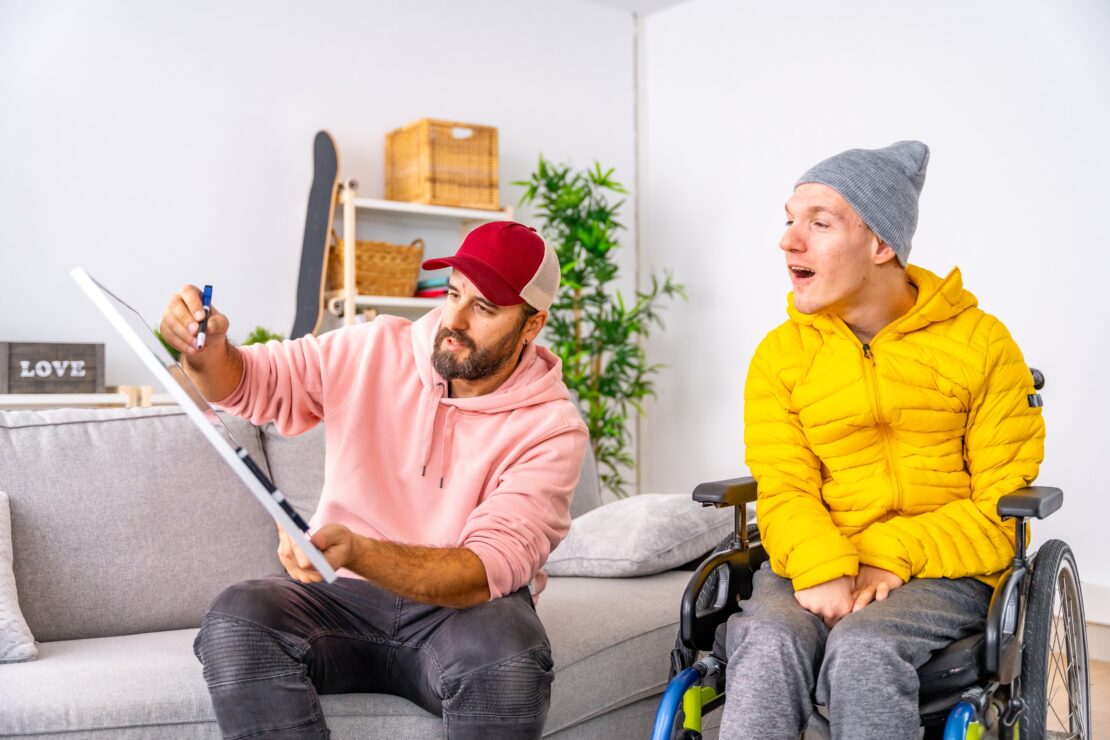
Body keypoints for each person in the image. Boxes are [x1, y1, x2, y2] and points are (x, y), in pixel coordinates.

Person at [159, 221, 588, 739]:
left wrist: (357, 550)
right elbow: (252, 382)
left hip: (465, 613)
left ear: (531, 325)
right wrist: (207, 354)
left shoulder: (552, 428)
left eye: (484, 308)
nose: (454, 319)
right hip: (341, 597)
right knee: (238, 618)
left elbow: (483, 570)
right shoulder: (375, 347)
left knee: (509, 660)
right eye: (453, 293)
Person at [717, 141, 1045, 738]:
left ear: (881, 244)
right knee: (767, 641)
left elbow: (1001, 510)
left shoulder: (983, 345)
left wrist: (888, 554)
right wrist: (821, 567)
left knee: (865, 649)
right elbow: (785, 483)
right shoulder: (780, 357)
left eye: (819, 223)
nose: (790, 240)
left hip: (943, 571)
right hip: (815, 559)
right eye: (790, 220)